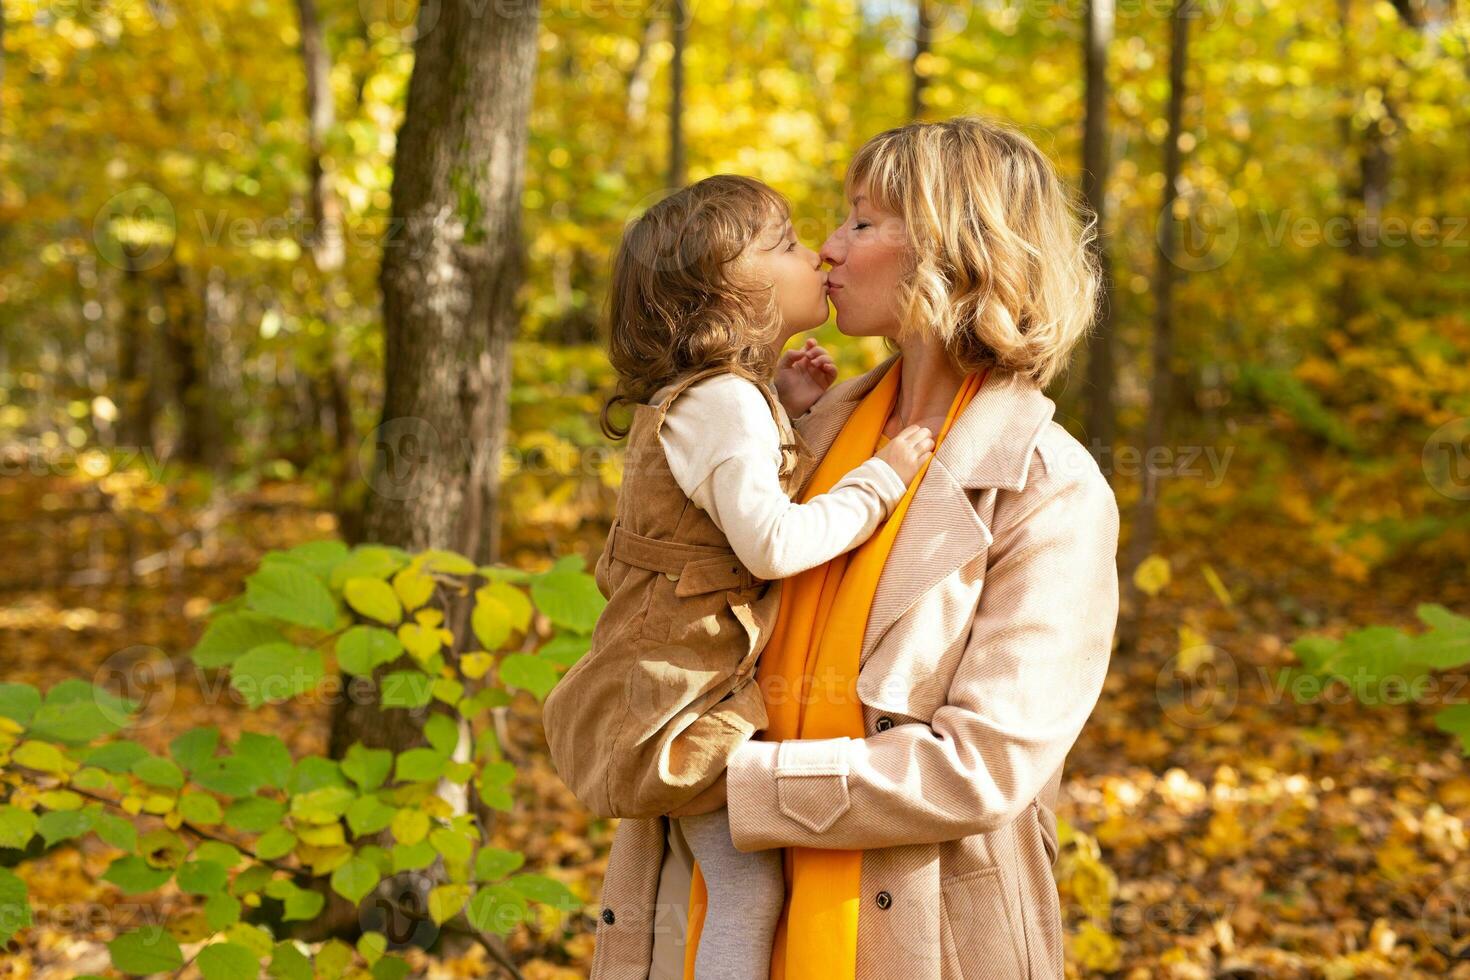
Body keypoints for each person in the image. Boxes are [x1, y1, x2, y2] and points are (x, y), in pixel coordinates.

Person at [591, 117, 1120, 980]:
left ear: (958, 249)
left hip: (914, 940)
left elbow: (979, 769)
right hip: (701, 921)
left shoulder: (1050, 488)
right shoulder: (792, 431)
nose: (830, 250)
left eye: (862, 222)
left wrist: (736, 783)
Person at [541, 174, 935, 980]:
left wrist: (783, 408)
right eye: (785, 245)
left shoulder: (725, 398)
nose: (816, 252)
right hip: (682, 694)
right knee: (746, 892)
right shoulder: (722, 401)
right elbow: (771, 546)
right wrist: (880, 482)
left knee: (737, 885)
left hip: (681, 677)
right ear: (731, 293)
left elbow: (715, 503)